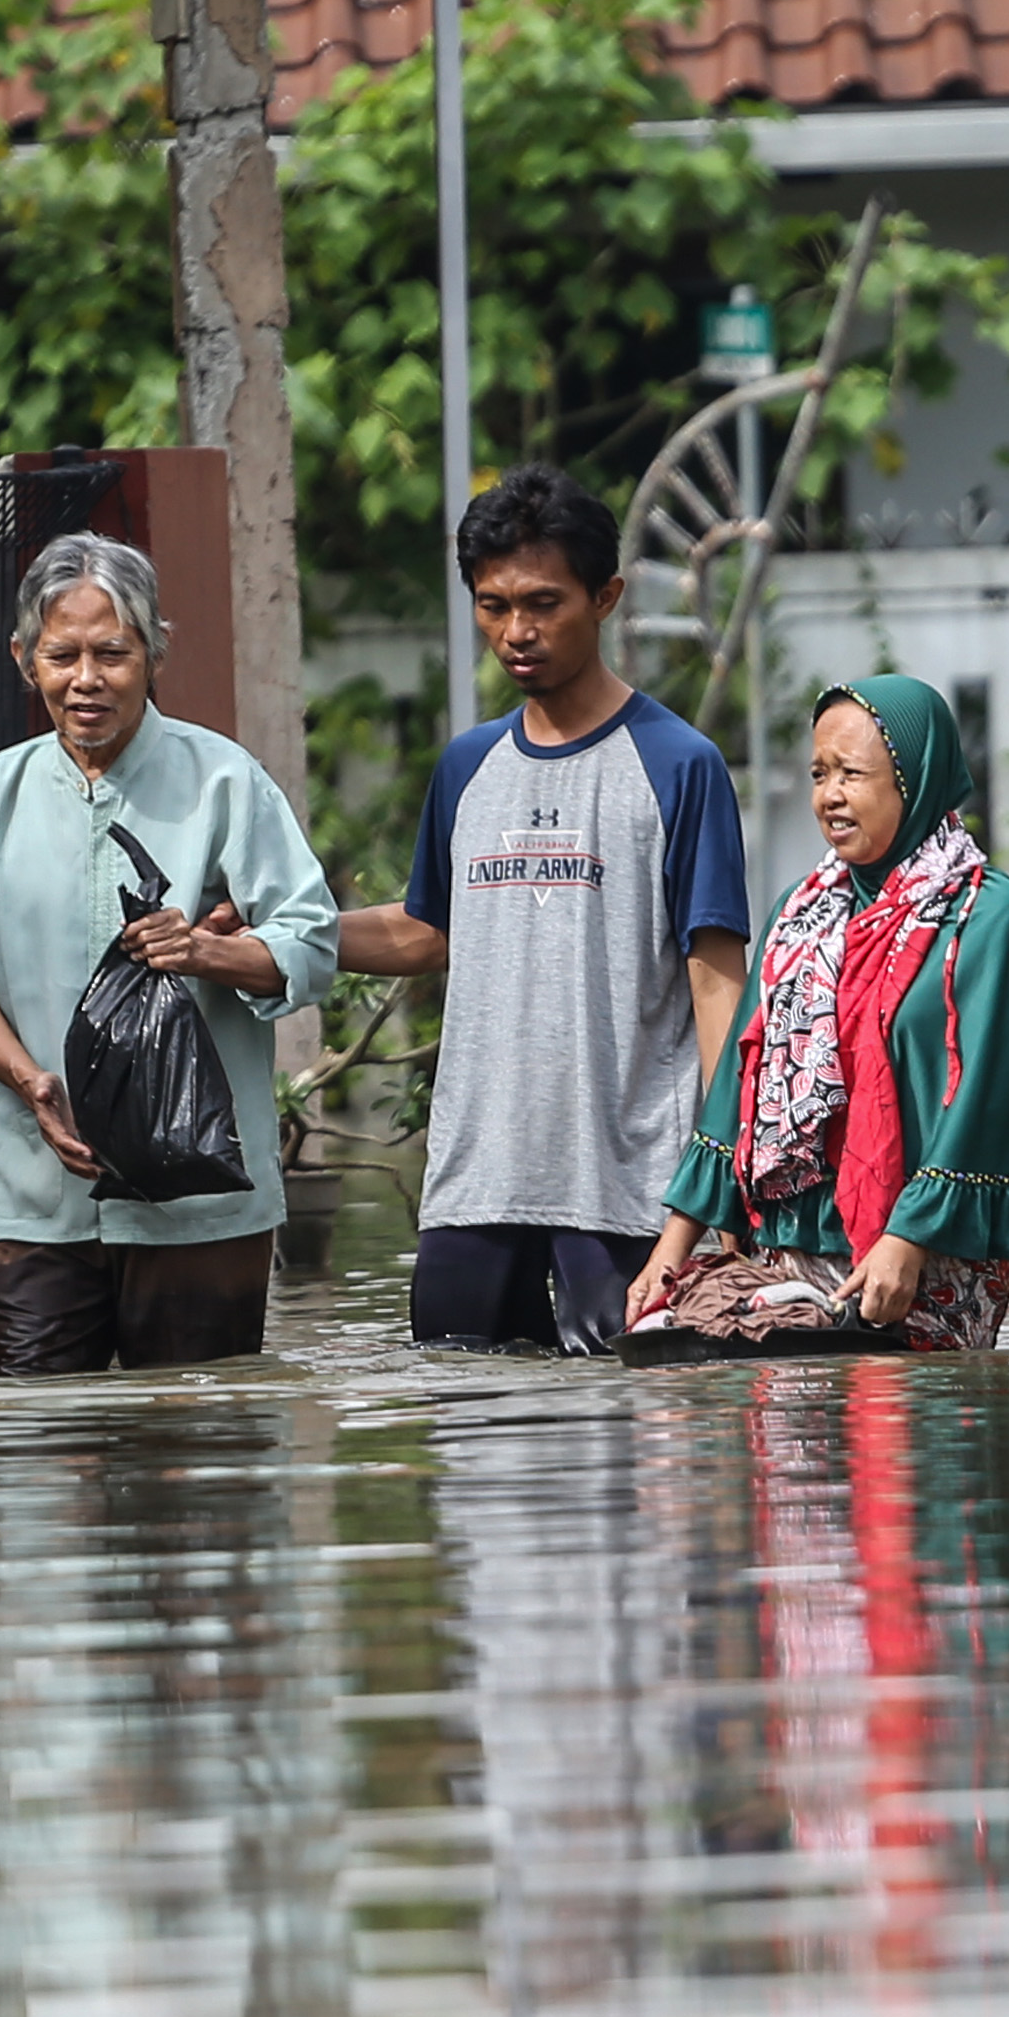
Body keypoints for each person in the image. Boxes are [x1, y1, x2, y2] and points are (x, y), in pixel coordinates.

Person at [333, 463, 750, 1353]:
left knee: (635, 1459)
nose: (516, 631)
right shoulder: (466, 766)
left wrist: (727, 1179)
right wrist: (281, 940)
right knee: (469, 1430)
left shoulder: (679, 764)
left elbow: (717, 988)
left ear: (606, 598)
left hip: (628, 1188)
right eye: (492, 605)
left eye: (543, 603)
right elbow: (424, 930)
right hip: (475, 1183)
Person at [0, 534, 337, 1371]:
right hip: (37, 1194)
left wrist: (204, 953)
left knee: (202, 1464)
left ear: (155, 654)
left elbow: (312, 942)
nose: (87, 679)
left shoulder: (224, 780)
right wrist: (28, 1081)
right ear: (23, 659)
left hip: (202, 1196)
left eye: (113, 653)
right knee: (36, 1458)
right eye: (63, 655)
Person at [626, 676, 1009, 1352]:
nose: (829, 795)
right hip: (791, 1240)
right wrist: (668, 1253)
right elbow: (738, 1088)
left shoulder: (989, 916)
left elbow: (983, 1097)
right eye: (820, 773)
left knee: (917, 1439)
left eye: (852, 774)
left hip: (928, 1252)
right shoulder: (800, 914)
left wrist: (907, 1237)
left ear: (914, 779)